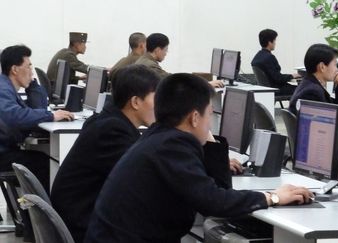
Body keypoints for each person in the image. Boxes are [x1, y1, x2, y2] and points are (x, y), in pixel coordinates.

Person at [84, 73, 312, 243]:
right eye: (209, 115)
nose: (209, 121)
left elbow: (219, 192)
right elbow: (215, 202)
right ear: (195, 117)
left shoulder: (159, 137)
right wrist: (272, 198)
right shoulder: (171, 146)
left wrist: (209, 140)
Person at [50, 65, 159, 243]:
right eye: (156, 97)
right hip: (83, 226)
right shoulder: (113, 131)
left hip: (78, 217)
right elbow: (143, 180)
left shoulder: (107, 121)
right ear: (136, 102)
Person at [0, 45, 73, 191]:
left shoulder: (7, 87)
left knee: (43, 160)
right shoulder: (2, 88)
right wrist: (52, 115)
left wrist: (32, 85)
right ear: (15, 69)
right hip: (2, 154)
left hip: (5, 150)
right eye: (28, 67)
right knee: (47, 166)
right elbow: (15, 116)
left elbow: (34, 109)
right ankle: (49, 212)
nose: (31, 71)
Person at [288, 43, 338, 132]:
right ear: (322, 67)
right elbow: (320, 129)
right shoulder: (312, 93)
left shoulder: (308, 84)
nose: (337, 69)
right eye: (334, 64)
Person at [135, 33, 224, 88]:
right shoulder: (150, 66)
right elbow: (173, 80)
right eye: (165, 50)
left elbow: (170, 76)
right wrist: (206, 84)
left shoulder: (143, 60)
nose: (166, 53)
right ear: (158, 50)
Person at [251, 29, 300, 95]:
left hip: (267, 88)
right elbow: (278, 78)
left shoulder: (257, 57)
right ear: (269, 42)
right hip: (276, 89)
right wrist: (292, 76)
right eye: (274, 40)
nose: (275, 43)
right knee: (302, 89)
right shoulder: (269, 57)